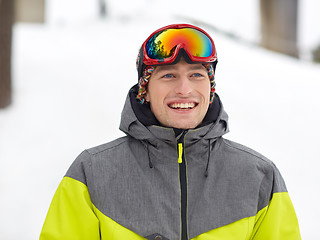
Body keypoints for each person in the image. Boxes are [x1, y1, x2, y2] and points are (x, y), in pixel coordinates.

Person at [40, 24, 301, 240]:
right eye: (168, 76)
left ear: (210, 89)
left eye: (197, 75)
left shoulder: (258, 176)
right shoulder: (92, 172)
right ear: (145, 90)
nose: (184, 89)